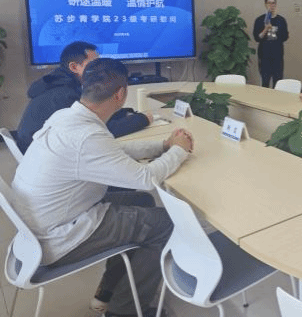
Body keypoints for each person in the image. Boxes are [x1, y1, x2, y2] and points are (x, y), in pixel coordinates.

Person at [12, 58, 194, 317]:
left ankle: (107, 293)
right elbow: (145, 178)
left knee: (142, 202)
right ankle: (124, 311)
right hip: (58, 237)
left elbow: (112, 151)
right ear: (120, 94)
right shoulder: (86, 136)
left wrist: (163, 146)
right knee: (167, 225)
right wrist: (179, 151)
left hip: (41, 226)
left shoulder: (66, 116)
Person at [15, 41, 151, 153]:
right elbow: (99, 130)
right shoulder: (64, 93)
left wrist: (125, 113)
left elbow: (94, 115)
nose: (99, 69)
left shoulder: (60, 83)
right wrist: (143, 119)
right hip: (46, 155)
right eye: (93, 64)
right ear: (74, 67)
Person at [253, 0, 289, 88]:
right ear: (265, 5)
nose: (271, 5)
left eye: (273, 3)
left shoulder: (281, 20)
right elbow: (257, 38)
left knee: (278, 82)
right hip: (264, 56)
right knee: (265, 82)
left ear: (276, 5)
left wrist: (276, 30)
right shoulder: (259, 20)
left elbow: (285, 37)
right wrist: (265, 29)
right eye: (269, 3)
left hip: (277, 56)